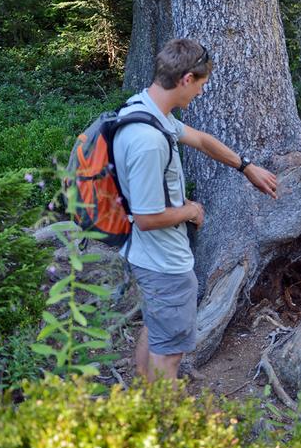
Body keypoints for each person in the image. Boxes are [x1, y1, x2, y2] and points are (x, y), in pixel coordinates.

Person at [113, 38, 278, 383]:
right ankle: (168, 430)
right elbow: (146, 218)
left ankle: (140, 408)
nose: (200, 93)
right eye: (201, 85)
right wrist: (190, 211)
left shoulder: (145, 111)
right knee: (168, 358)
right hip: (164, 265)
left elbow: (201, 139)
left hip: (147, 258)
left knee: (157, 331)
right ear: (187, 78)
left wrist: (245, 166)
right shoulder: (149, 141)